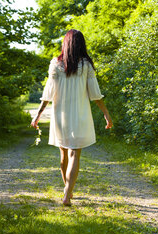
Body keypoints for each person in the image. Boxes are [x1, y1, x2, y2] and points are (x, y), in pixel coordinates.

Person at [30, 29, 113, 206]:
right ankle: (67, 193)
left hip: (60, 116)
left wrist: (37, 115)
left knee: (63, 155)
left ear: (65, 44)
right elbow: (95, 95)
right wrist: (107, 114)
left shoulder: (55, 64)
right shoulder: (86, 66)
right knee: (75, 154)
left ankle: (68, 191)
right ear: (81, 44)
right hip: (80, 115)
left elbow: (48, 93)